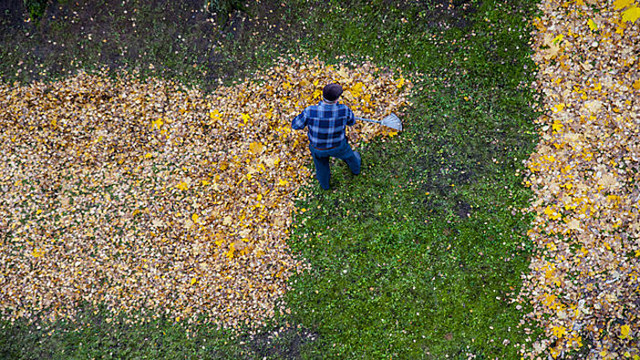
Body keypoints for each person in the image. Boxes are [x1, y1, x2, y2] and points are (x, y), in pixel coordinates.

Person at [291, 83, 361, 190]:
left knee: (321, 167)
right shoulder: (344, 110)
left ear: (322, 95)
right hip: (338, 146)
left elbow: (296, 125)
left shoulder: (310, 111)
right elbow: (351, 122)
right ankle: (356, 170)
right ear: (337, 99)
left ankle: (325, 185)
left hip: (318, 148)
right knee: (350, 156)